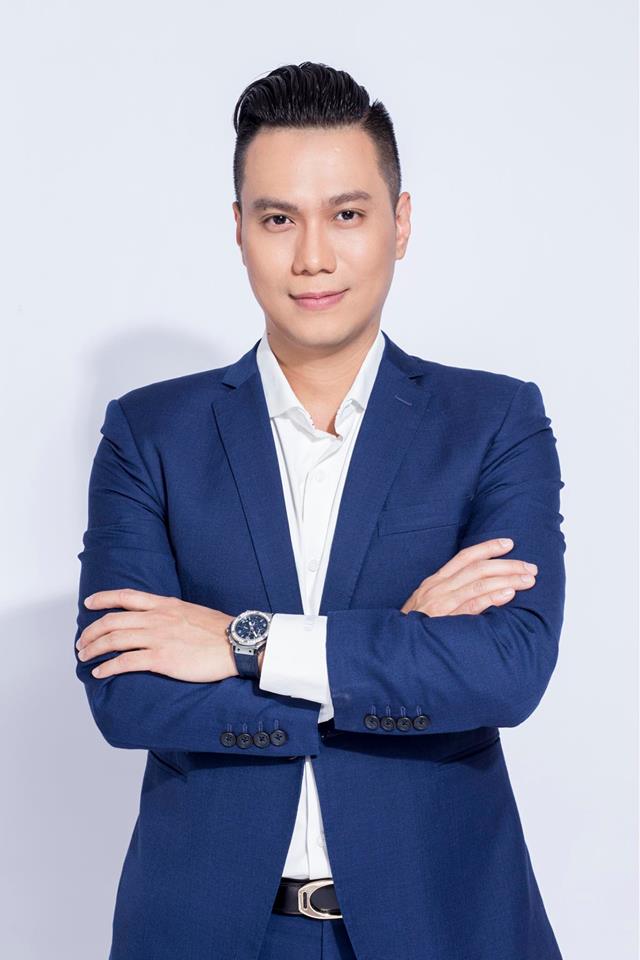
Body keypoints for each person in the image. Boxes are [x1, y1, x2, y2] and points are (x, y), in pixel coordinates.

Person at [74, 61, 566, 960]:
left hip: (446, 927)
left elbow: (506, 671)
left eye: (347, 214)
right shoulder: (149, 434)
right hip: (210, 934)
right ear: (238, 229)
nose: (312, 256)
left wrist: (243, 643)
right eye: (278, 219)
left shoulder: (494, 421)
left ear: (399, 223)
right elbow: (126, 692)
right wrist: (395, 651)